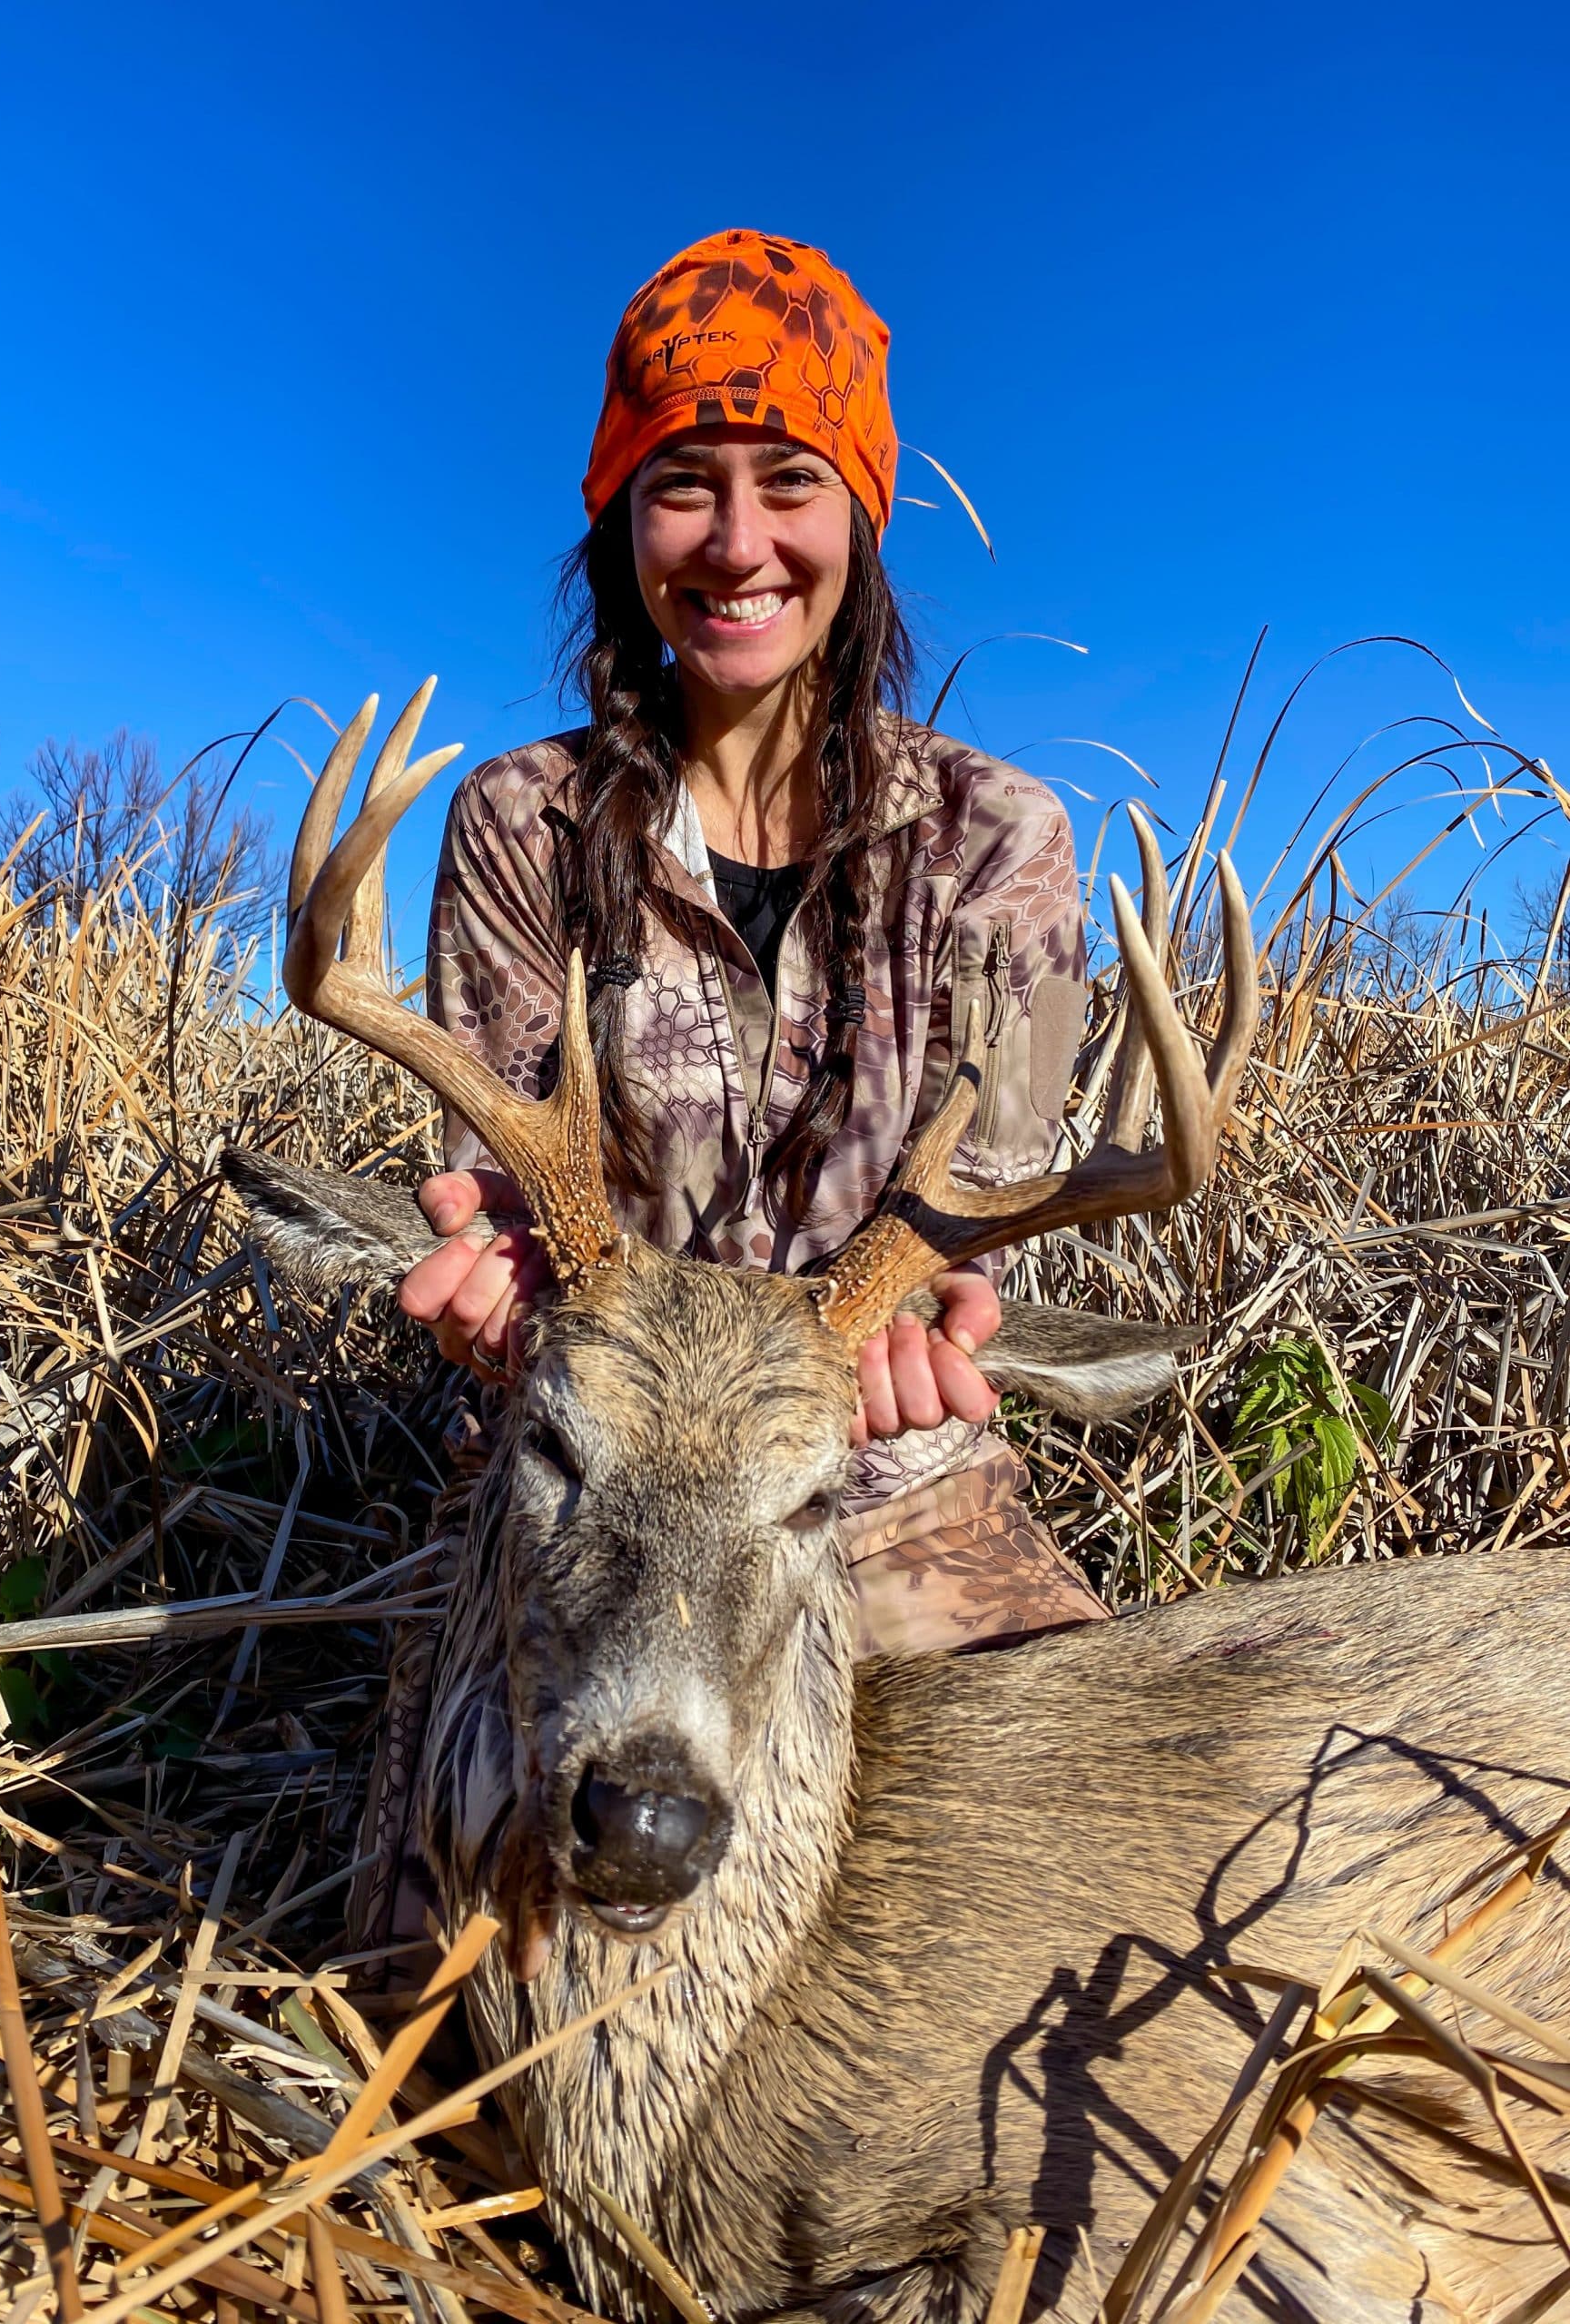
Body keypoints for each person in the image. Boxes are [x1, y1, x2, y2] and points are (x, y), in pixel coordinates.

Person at [362, 231, 1105, 1954]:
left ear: (862, 519)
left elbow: (1001, 1186)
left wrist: (937, 1317)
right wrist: (500, 1278)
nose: (739, 543)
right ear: (622, 525)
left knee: (1065, 1891)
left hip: (878, 1474)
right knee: (425, 1978)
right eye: (683, 485)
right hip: (578, 1486)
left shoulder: (1011, 842)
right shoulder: (520, 825)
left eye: (792, 483)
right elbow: (499, 1174)